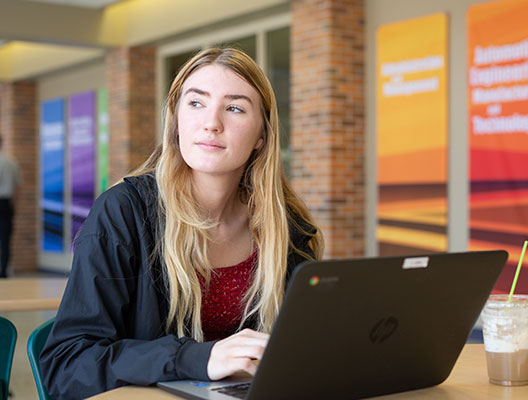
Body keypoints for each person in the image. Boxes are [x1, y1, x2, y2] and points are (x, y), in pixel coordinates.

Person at [40, 47, 323, 399]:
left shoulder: (285, 224)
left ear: (261, 137)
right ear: (175, 120)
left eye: (234, 108)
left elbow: (307, 341)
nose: (211, 123)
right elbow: (67, 366)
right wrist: (196, 358)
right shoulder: (124, 213)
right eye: (196, 103)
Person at [0, 136, 20, 278]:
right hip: (6, 204)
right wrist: (14, 206)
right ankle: (4, 271)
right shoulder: (11, 162)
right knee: (5, 240)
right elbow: (17, 188)